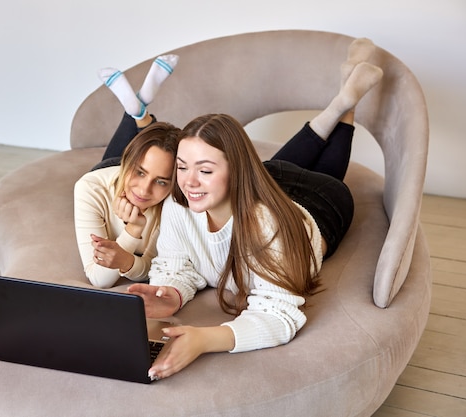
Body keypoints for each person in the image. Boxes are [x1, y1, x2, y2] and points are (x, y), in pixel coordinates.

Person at [126, 38, 384, 380]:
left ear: (236, 171)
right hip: (265, 180)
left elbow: (280, 315)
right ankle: (341, 101)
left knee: (323, 172)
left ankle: (347, 108)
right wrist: (171, 294)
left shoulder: (268, 227)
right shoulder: (181, 202)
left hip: (320, 203)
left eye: (204, 170)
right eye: (182, 166)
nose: (188, 181)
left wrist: (206, 338)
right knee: (277, 167)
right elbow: (177, 264)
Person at [74, 55, 181, 288]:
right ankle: (139, 115)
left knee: (160, 149)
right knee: (142, 150)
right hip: (110, 171)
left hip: (127, 167)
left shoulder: (175, 200)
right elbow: (99, 278)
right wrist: (132, 238)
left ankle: (138, 110)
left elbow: (156, 267)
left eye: (162, 181)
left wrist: (130, 238)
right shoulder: (90, 188)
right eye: (140, 173)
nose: (144, 190)